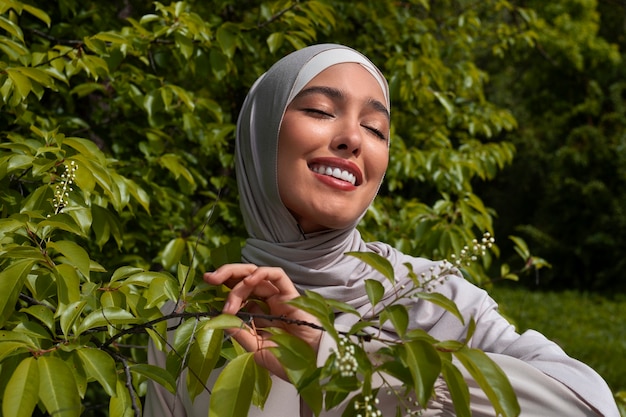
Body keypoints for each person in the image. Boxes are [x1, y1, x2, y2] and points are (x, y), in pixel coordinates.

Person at [145, 44, 620, 416]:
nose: (353, 138)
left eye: (375, 128)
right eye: (319, 110)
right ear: (261, 132)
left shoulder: (431, 299)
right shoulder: (188, 322)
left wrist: (343, 358)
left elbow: (588, 406)